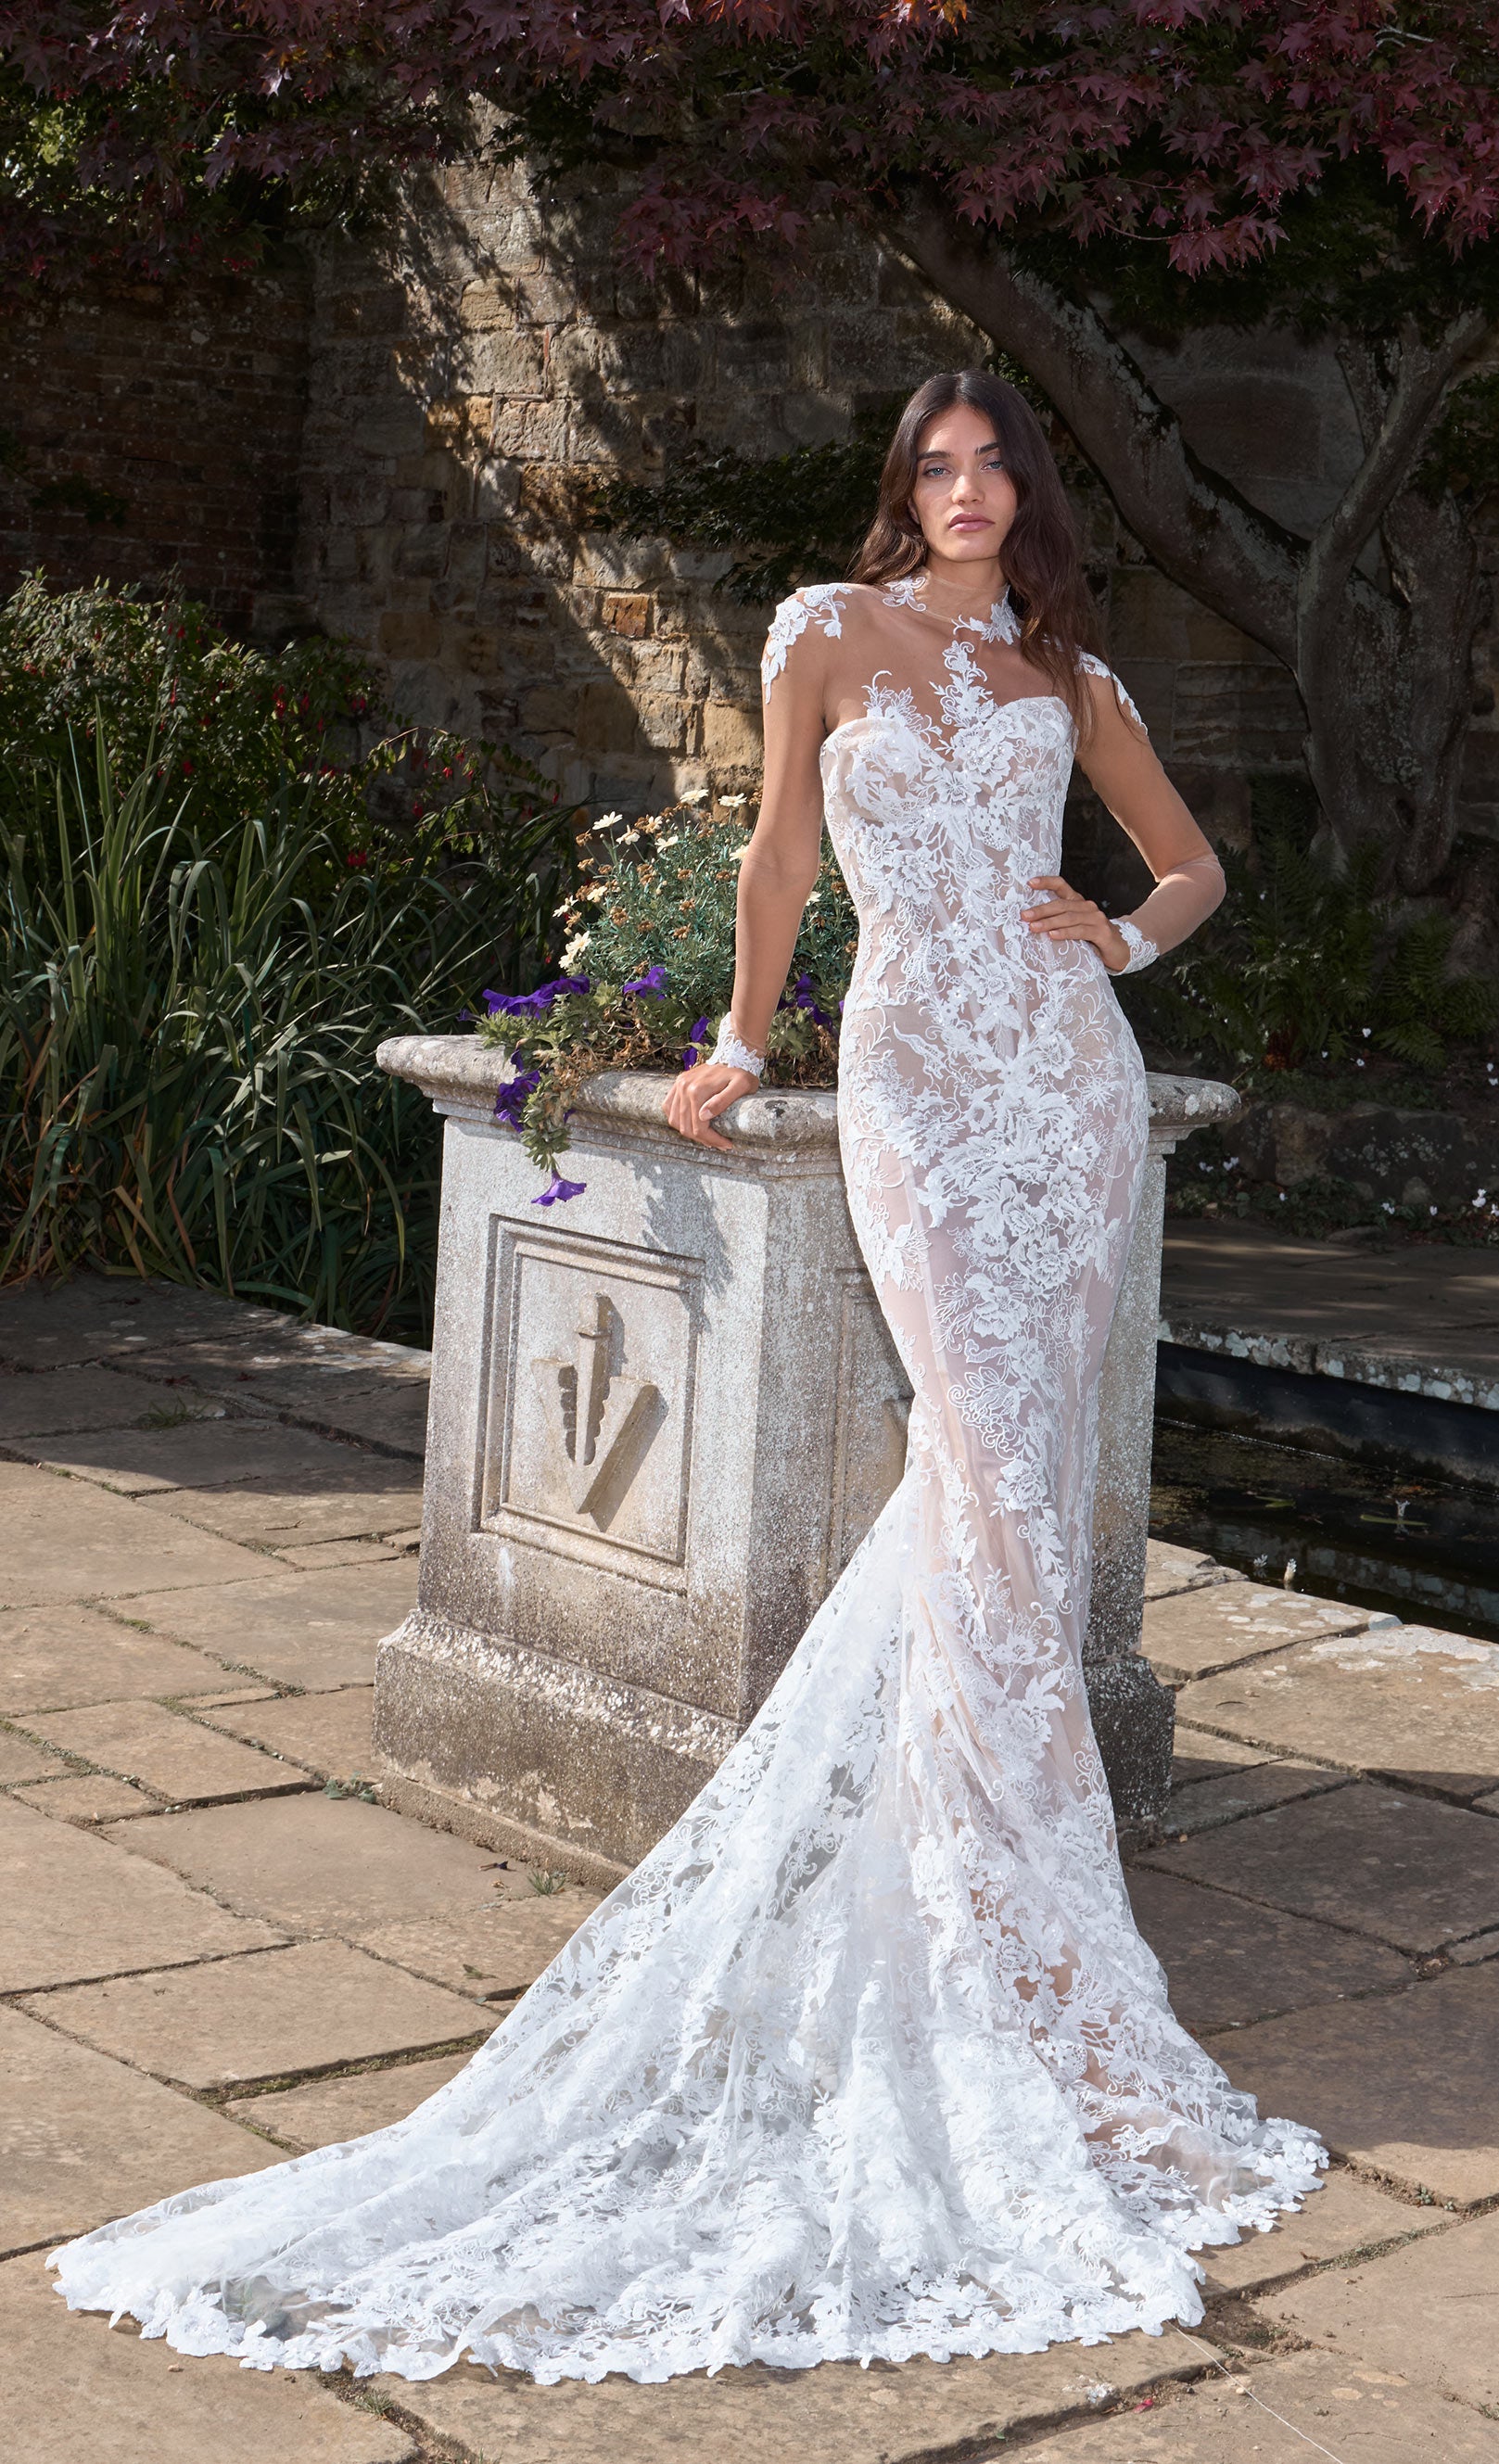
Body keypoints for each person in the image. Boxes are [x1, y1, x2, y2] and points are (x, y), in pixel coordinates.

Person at [49, 371, 1322, 2387]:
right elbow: (782, 856)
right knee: (983, 1462)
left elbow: (1192, 872)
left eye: (996, 467)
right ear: (901, 489)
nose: (970, 493)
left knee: (1018, 1472)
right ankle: (975, 1886)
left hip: (1060, 1095)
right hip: (912, 1079)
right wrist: (735, 1040)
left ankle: (985, 1881)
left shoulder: (1069, 674)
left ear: (1031, 496)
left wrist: (1122, 945)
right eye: (938, 465)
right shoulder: (821, 630)